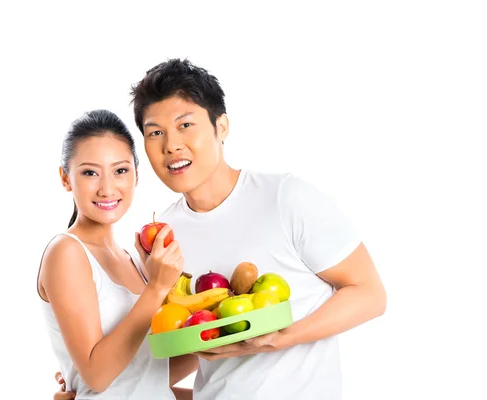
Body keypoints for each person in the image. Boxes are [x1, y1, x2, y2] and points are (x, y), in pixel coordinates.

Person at [54, 59, 387, 399]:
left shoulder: (286, 198)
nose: (171, 145)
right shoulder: (162, 240)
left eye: (185, 125)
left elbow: (370, 294)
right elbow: (178, 355)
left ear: (222, 126)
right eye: (155, 132)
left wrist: (280, 339)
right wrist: (85, 383)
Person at [38, 109, 198, 400]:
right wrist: (157, 287)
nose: (107, 188)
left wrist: (221, 339)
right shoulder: (66, 253)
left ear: (136, 174)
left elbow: (147, 373)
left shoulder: (133, 259)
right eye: (90, 173)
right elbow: (98, 377)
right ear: (65, 179)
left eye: (120, 170)